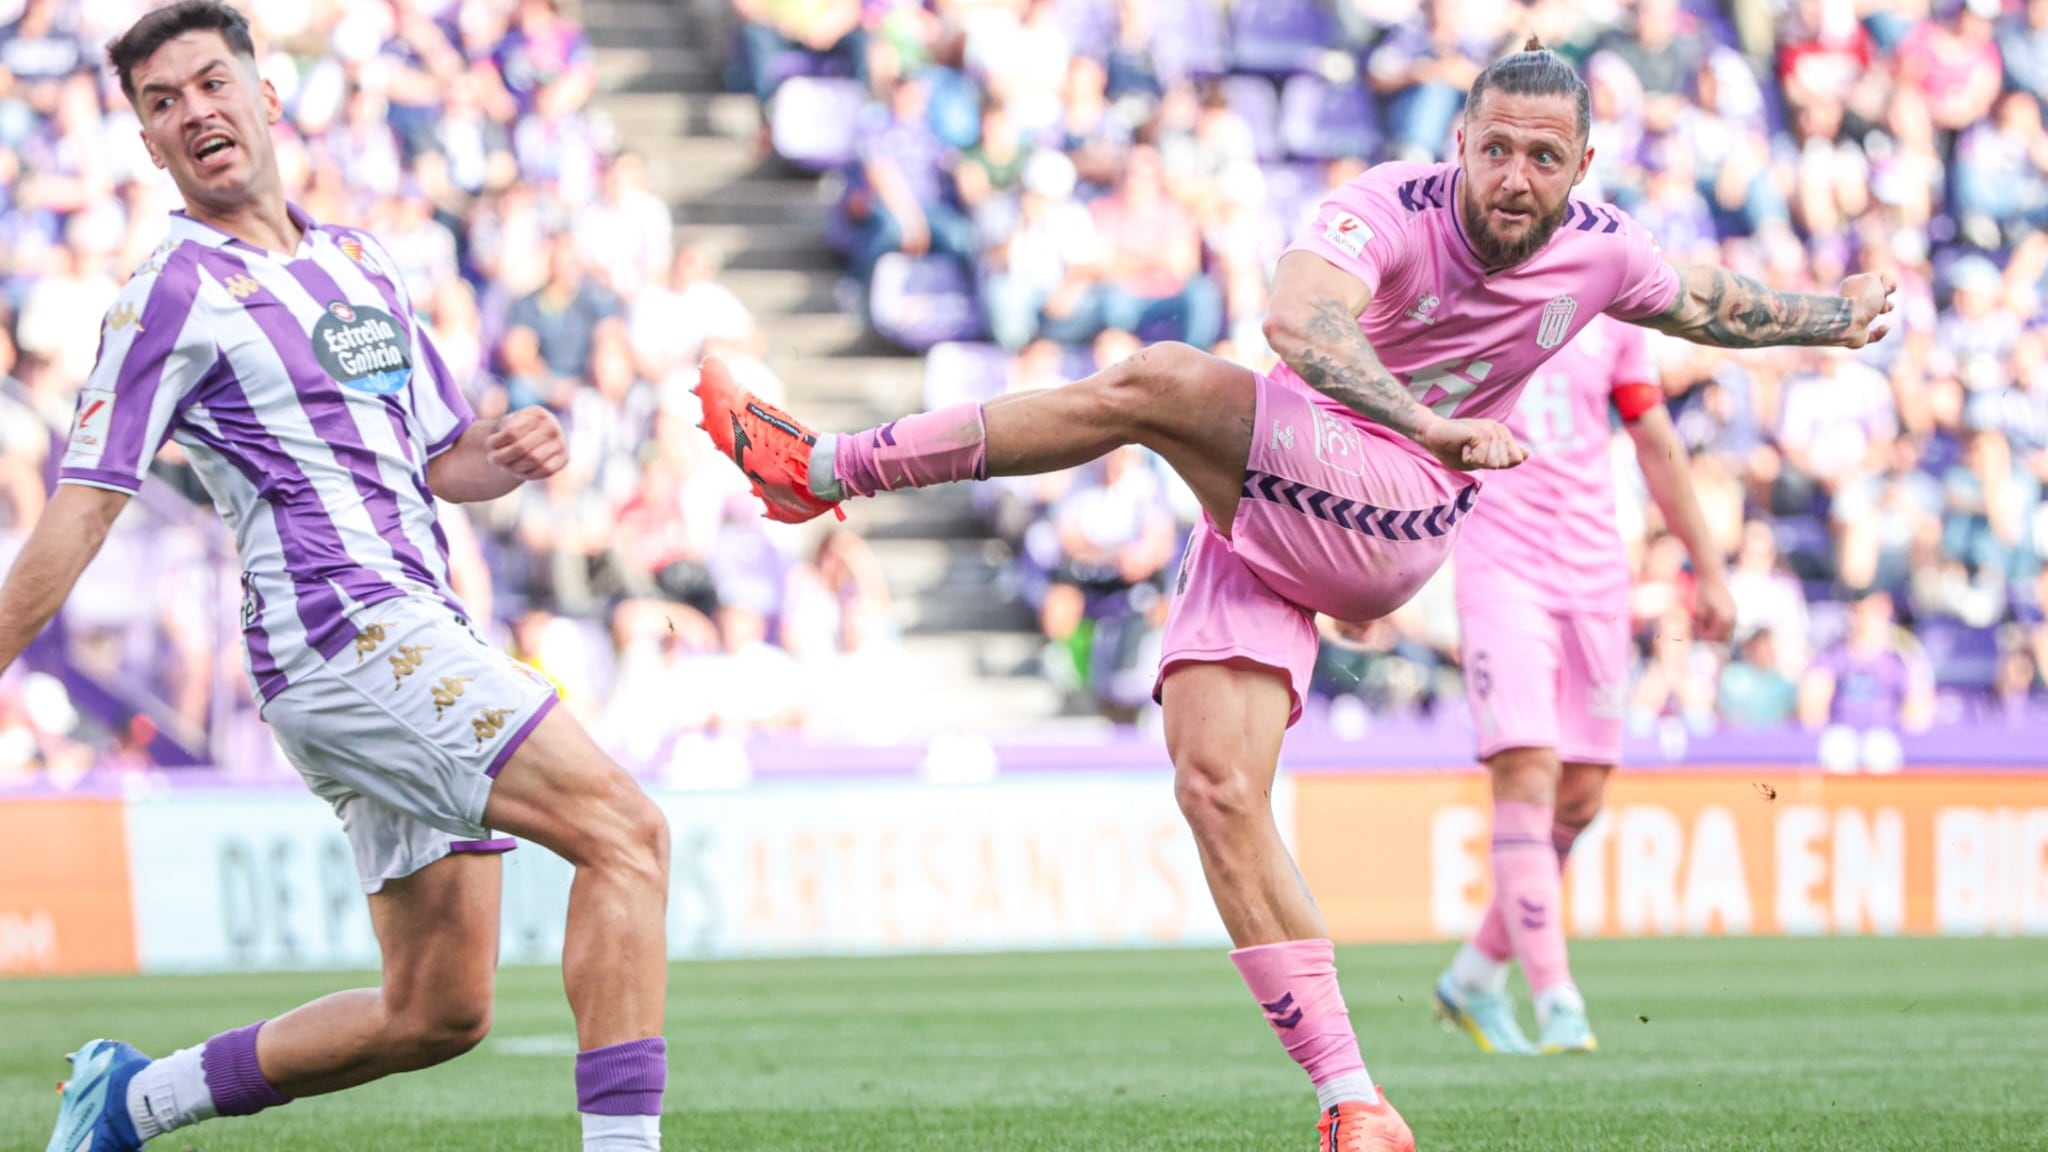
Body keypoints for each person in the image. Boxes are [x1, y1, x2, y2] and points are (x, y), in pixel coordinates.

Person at [698, 38, 1894, 1152]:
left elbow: (1706, 302)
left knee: (1157, 382)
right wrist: (1429, 414)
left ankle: (824, 469)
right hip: (1291, 491)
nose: (1514, 177)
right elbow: (1296, 319)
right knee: (1215, 788)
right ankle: (1353, 1102)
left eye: (1543, 156)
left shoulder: (1602, 248)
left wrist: (1831, 321)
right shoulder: (1388, 205)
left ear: (1579, 166)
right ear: (1458, 142)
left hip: (1397, 512)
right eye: (1494, 148)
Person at [37, 6, 671, 1151]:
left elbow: (443, 457)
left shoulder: (355, 265)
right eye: (162, 103)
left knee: (437, 1009)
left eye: (210, 82)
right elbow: (85, 508)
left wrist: (508, 450)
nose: (195, 112)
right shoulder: (168, 291)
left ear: (267, 99)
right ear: (146, 143)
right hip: (344, 635)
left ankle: (132, 1101)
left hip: (413, 627)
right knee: (626, 832)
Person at [1430, 313, 1736, 1058]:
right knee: (1528, 769)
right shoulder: (1468, 279)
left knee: (1582, 794)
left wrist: (1710, 566)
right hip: (1500, 565)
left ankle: (1474, 974)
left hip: (1596, 572)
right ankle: (1557, 1000)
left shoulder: (1613, 307)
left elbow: (1656, 443)